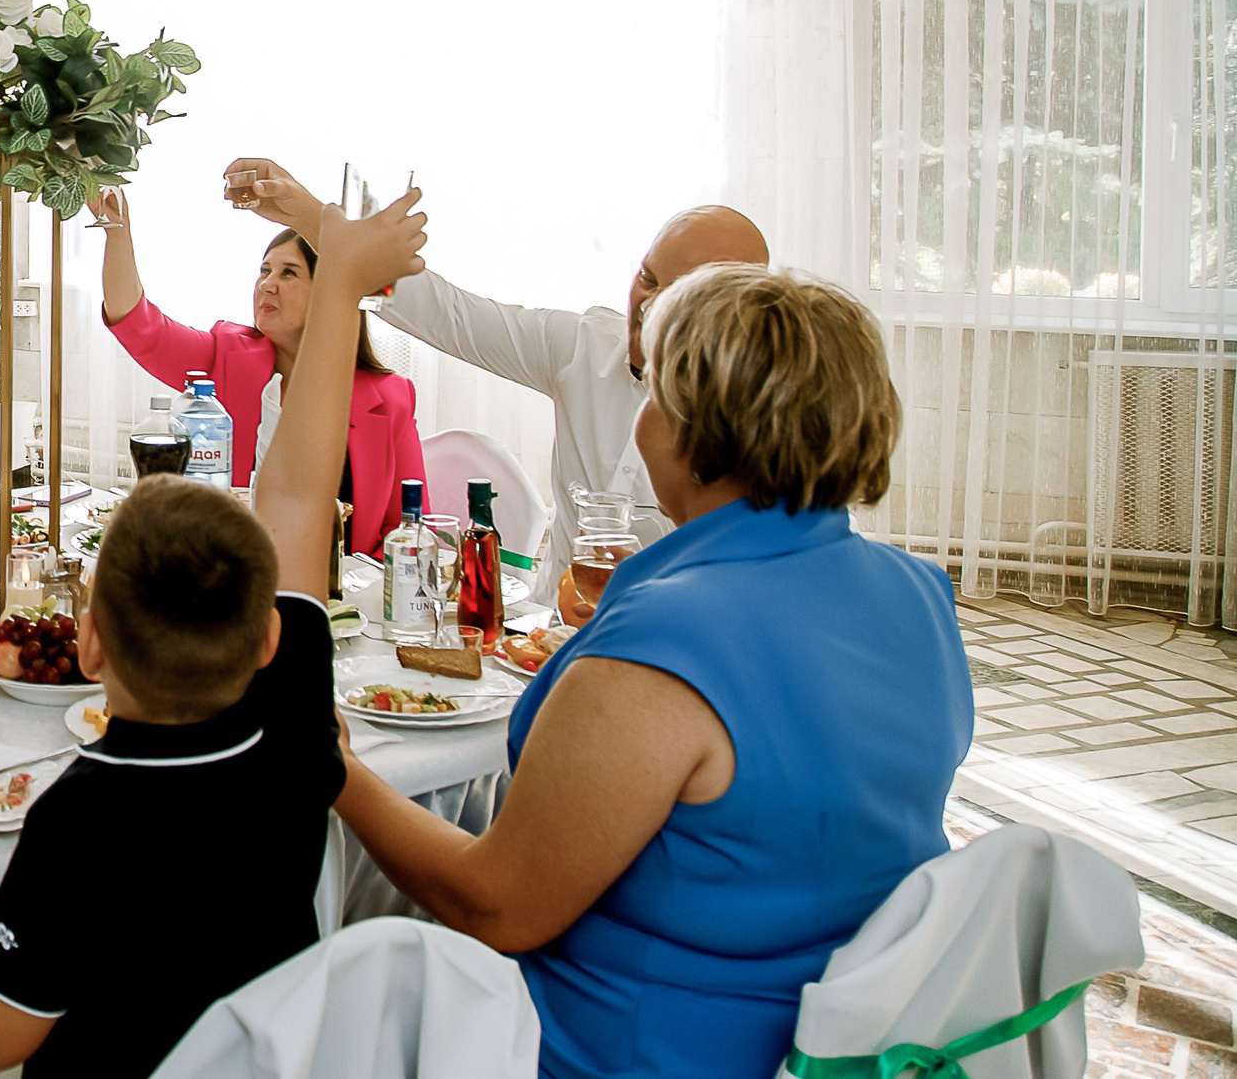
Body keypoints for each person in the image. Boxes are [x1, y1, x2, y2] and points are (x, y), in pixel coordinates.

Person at [0, 195, 429, 1078]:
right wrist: (337, 293)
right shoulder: (299, 736)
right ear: (267, 638)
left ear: (90, 643)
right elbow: (297, 497)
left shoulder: (83, 812)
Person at [330, 264, 969, 1079]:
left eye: (653, 391)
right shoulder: (920, 596)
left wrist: (337, 767)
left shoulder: (664, 644)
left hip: (631, 1048)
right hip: (850, 1030)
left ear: (699, 434)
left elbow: (496, 904)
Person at [226, 156, 766, 606]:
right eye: (647, 278)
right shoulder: (582, 347)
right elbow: (448, 314)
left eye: (679, 294)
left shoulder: (769, 426)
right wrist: (308, 214)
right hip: (546, 636)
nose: (648, 305)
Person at [91, 183, 427, 554]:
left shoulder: (392, 398)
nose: (267, 284)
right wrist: (116, 231)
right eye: (265, 270)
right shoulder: (226, 356)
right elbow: (138, 325)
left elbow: (409, 525)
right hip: (233, 575)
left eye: (288, 273)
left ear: (332, 290)